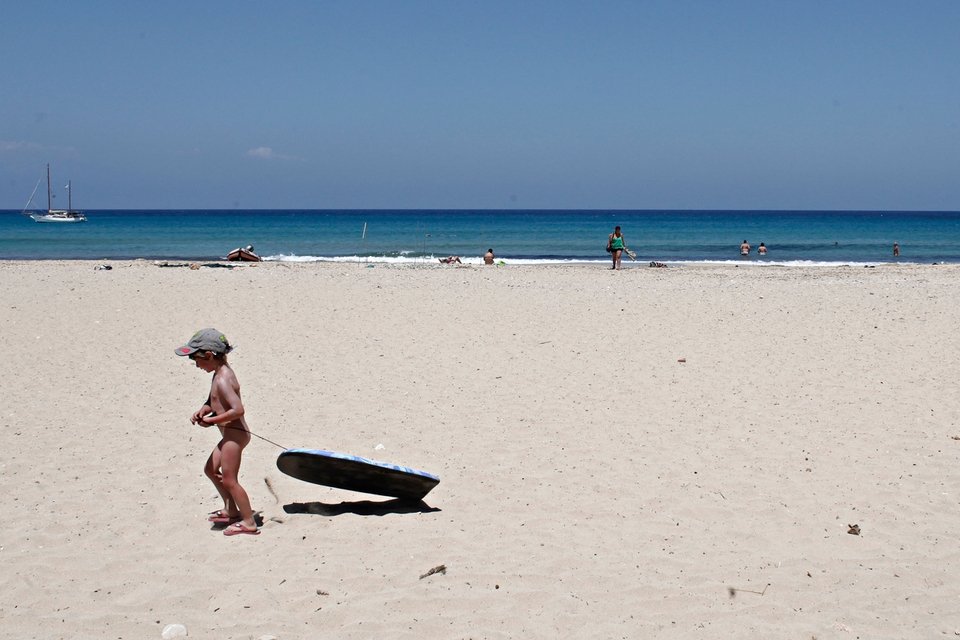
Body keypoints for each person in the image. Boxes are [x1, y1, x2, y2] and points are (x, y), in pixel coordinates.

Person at [175, 328, 260, 536]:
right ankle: (231, 511)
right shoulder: (218, 373)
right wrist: (205, 409)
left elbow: (238, 409)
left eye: (196, 359)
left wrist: (213, 420)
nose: (195, 365)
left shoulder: (223, 379)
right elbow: (213, 400)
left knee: (230, 479)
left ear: (209, 355)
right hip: (229, 435)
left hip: (235, 436)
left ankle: (248, 522)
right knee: (210, 470)